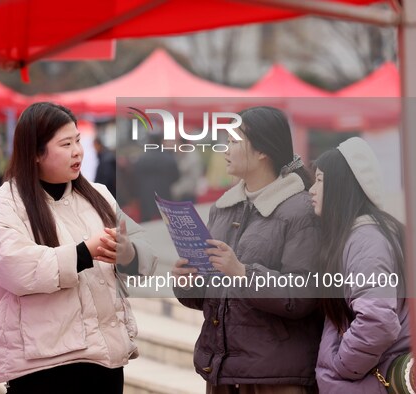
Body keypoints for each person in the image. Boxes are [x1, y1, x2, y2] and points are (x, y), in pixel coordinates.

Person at [0, 102, 157, 394]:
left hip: (105, 362)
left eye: (77, 140)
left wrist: (128, 254)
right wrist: (85, 251)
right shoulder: (3, 207)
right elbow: (18, 270)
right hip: (43, 369)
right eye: (65, 144)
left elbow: (146, 252)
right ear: (35, 153)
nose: (78, 151)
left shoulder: (98, 195)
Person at [173, 106, 323, 394]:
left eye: (233, 141)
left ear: (262, 151)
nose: (225, 149)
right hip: (222, 371)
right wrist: (187, 281)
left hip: (275, 377)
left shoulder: (300, 210)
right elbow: (211, 298)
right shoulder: (222, 208)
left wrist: (242, 273)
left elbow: (302, 296)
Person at [309, 137, 410, 393]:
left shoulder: (366, 239)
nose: (312, 190)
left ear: (342, 187)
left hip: (372, 381)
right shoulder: (364, 235)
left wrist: (342, 366)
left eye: (320, 180)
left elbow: (377, 319)